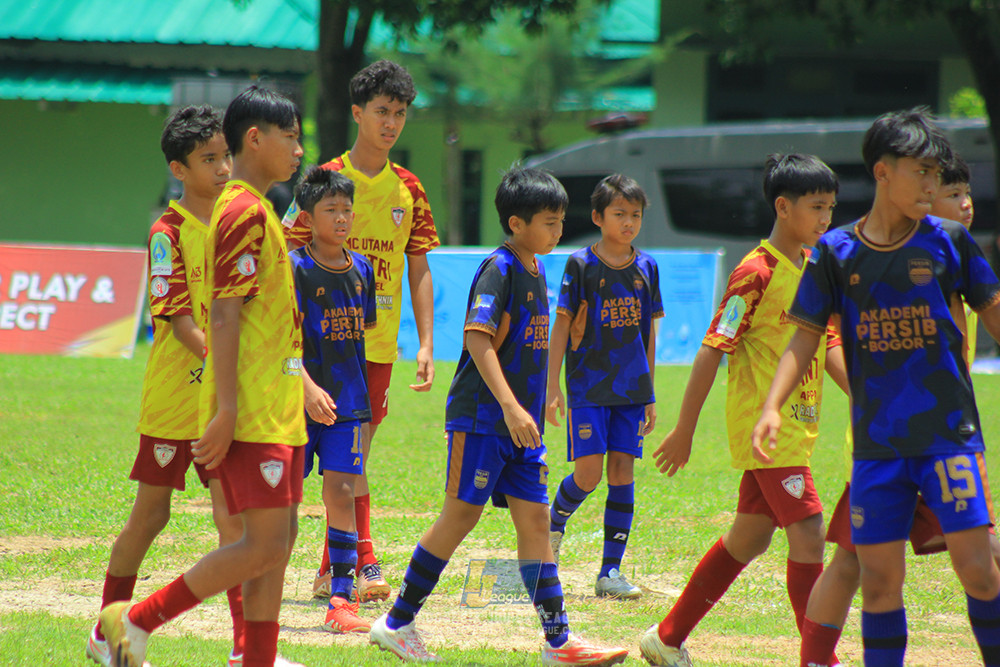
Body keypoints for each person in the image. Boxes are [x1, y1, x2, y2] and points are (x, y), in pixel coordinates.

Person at [753, 108, 1000, 667]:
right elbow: (804, 339)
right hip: (877, 450)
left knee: (980, 569)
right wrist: (772, 406)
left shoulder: (952, 243)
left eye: (939, 175)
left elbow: (994, 315)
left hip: (949, 438)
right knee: (880, 583)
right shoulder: (837, 254)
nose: (933, 186)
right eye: (922, 173)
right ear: (883, 172)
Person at [368, 167, 628, 666]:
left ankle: (559, 642)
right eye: (549, 222)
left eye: (559, 222)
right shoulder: (499, 268)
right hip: (483, 419)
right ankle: (396, 623)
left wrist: (538, 401)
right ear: (516, 222)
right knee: (459, 517)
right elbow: (476, 339)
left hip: (521, 426)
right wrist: (510, 407)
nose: (557, 231)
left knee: (535, 521)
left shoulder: (536, 268)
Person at [98, 85, 307, 667]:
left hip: (269, 402)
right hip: (214, 402)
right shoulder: (230, 215)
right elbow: (214, 315)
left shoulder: (252, 209)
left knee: (270, 541)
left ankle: (253, 654)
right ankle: (131, 619)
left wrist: (299, 383)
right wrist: (228, 407)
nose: (299, 148)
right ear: (257, 139)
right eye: (290, 136)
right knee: (230, 533)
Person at [641, 154, 846, 667]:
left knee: (748, 539)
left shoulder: (816, 269)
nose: (826, 219)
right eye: (817, 207)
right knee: (809, 534)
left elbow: (831, 342)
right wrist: (684, 430)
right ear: (783, 206)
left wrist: (869, 396)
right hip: (765, 431)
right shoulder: (754, 273)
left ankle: (665, 638)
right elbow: (713, 348)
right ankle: (819, 659)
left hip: (797, 428)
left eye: (831, 208)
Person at [86, 105, 244, 667]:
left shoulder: (237, 221)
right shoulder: (166, 233)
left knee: (236, 523)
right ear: (180, 168)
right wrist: (232, 367)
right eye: (209, 159)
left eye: (226, 155)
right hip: (176, 402)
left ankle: (244, 648)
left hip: (223, 403)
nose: (223, 168)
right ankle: (110, 632)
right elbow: (178, 324)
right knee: (150, 517)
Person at [283, 59, 439, 602]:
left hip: (375, 346)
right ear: (357, 113)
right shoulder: (324, 181)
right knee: (323, 463)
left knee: (354, 458)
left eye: (399, 113)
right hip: (318, 351)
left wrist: (424, 341)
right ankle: (357, 561)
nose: (391, 122)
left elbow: (418, 266)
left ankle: (341, 566)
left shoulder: (409, 189)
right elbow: (285, 255)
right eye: (381, 112)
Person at [545, 174, 662, 600]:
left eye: (635, 215)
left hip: (632, 390)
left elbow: (649, 331)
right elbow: (560, 325)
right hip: (588, 386)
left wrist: (650, 392)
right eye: (619, 214)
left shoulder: (647, 267)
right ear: (598, 217)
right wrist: (551, 385)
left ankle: (609, 572)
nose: (628, 222)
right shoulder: (581, 265)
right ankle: (553, 521)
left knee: (622, 472)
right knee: (589, 473)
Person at [288, 166, 377, 635]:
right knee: (282, 501)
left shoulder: (362, 269)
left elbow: (362, 331)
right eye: (330, 210)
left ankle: (341, 599)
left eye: (347, 209)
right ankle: (253, 584)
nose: (341, 218)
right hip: (294, 405)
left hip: (349, 405)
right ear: (307, 216)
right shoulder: (292, 267)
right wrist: (305, 387)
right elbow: (280, 341)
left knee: (341, 492)